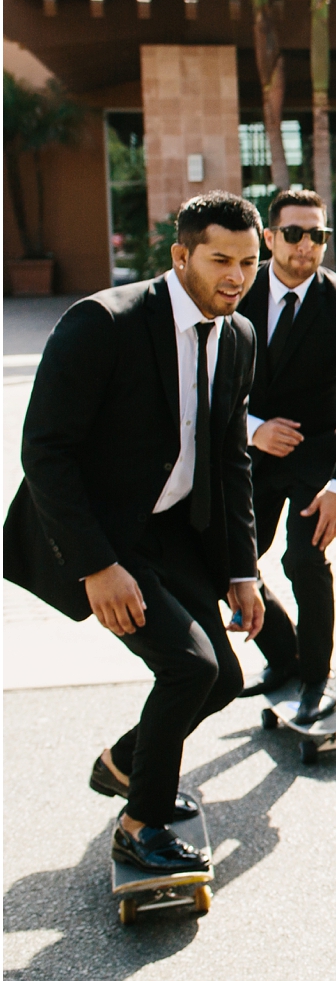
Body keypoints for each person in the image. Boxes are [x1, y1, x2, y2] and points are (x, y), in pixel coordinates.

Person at [3, 192, 265, 879]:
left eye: (248, 261)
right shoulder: (103, 322)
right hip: (104, 535)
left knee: (224, 679)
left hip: (175, 529)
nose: (236, 275)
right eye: (219, 260)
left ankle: (124, 762)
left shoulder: (237, 334)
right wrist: (95, 564)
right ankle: (139, 825)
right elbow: (45, 451)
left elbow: (230, 459)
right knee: (190, 668)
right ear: (180, 256)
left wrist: (244, 569)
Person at [241, 184, 336, 726]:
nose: (306, 246)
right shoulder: (237, 293)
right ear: (270, 237)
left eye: (316, 235)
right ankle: (285, 656)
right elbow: (203, 386)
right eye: (294, 234)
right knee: (227, 561)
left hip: (317, 459)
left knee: (303, 560)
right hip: (247, 455)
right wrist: (253, 429)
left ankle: (318, 677)